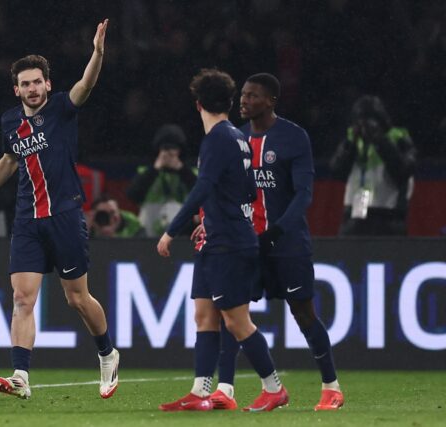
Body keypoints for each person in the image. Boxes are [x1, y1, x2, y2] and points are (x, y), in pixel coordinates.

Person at [0, 19, 119, 400]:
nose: (32, 89)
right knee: (22, 298)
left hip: (65, 215)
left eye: (37, 82)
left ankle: (107, 352)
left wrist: (97, 54)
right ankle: (20, 375)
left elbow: (87, 85)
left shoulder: (63, 108)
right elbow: (9, 160)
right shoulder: (10, 121)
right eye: (25, 84)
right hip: (27, 219)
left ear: (47, 84)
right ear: (16, 89)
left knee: (77, 298)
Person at [156, 68, 288, 412]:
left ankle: (274, 387)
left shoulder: (216, 139)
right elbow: (246, 189)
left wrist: (172, 230)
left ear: (198, 104)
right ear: (229, 102)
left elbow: (203, 187)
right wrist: (207, 219)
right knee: (203, 315)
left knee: (236, 321)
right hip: (217, 237)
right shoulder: (239, 138)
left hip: (229, 242)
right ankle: (201, 391)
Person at [210, 72, 343, 411]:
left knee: (303, 314)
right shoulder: (235, 138)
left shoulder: (293, 137)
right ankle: (226, 390)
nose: (244, 100)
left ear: (271, 101)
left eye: (253, 95)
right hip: (246, 243)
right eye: (243, 93)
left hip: (286, 244)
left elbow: (304, 194)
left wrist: (276, 232)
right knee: (231, 312)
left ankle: (331, 387)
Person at [330, 95, 416, 235]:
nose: (365, 126)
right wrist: (351, 145)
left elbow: (403, 171)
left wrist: (380, 140)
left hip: (388, 214)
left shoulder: (398, 137)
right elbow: (336, 171)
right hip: (355, 214)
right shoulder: (353, 139)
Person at [126, 124, 197, 236]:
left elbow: (204, 196)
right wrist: (155, 169)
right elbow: (132, 195)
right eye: (165, 148)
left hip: (182, 233)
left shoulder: (191, 173)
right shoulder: (146, 172)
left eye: (173, 148)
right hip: (150, 229)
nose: (169, 153)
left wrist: (181, 169)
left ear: (180, 150)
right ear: (158, 150)